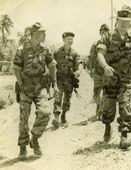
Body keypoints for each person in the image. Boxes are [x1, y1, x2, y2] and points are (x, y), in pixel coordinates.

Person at [97, 5, 131, 149]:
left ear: (130, 22)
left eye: (127, 21)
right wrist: (105, 66)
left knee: (125, 106)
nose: (124, 24)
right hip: (110, 79)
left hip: (126, 80)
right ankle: (107, 126)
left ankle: (124, 136)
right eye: (122, 21)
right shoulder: (108, 37)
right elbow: (100, 54)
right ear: (117, 21)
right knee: (108, 108)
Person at [13, 22, 58, 158]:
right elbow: (17, 69)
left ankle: (35, 139)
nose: (45, 34)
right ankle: (22, 147)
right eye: (43, 32)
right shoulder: (21, 49)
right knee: (23, 118)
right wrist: (21, 86)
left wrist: (55, 84)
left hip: (40, 87)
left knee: (45, 112)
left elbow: (52, 66)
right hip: (25, 87)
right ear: (35, 34)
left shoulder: (45, 49)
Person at [52, 32, 82, 127]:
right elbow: (52, 65)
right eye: (68, 39)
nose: (70, 41)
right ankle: (56, 116)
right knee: (58, 97)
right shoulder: (57, 52)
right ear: (63, 40)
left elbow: (80, 64)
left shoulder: (74, 53)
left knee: (67, 100)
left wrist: (79, 71)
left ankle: (64, 115)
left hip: (69, 80)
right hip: (59, 78)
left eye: (71, 39)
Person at [90, 24, 110, 120]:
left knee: (105, 92)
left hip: (107, 73)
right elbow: (92, 58)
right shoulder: (95, 44)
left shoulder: (111, 43)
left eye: (105, 31)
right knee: (97, 92)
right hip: (97, 72)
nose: (104, 33)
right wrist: (91, 70)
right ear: (99, 32)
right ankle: (98, 106)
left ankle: (101, 111)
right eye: (102, 32)